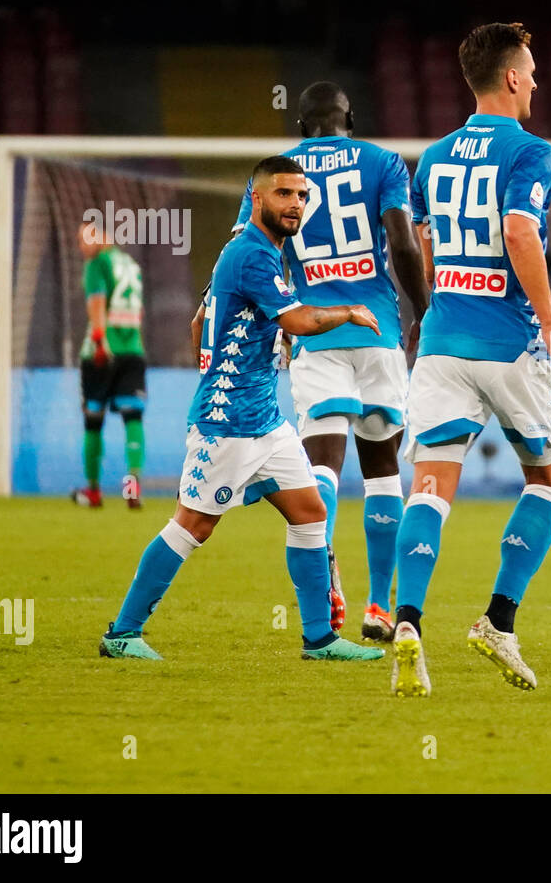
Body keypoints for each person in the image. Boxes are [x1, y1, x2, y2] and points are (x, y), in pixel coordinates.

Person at [99, 156, 384, 662]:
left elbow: (199, 320)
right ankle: (122, 633)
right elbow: (296, 319)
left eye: (301, 196)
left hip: (264, 420)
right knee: (193, 525)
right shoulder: (251, 254)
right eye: (283, 194)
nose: (295, 204)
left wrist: (225, 356)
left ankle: (319, 639)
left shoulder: (264, 253)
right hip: (227, 424)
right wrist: (348, 312)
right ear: (257, 198)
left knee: (310, 511)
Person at [389, 21, 551, 696]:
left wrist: (436, 306)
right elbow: (519, 229)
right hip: (512, 343)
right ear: (510, 78)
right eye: (531, 71)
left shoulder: (434, 156)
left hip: (441, 341)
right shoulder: (532, 152)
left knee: (430, 489)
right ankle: (498, 619)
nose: (536, 81)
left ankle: (408, 621)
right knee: (548, 481)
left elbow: (419, 239)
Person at [229, 81, 428, 643]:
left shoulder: (273, 179)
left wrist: (258, 318)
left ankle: (324, 588)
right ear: (350, 117)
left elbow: (252, 250)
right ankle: (380, 605)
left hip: (315, 328)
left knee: (321, 466)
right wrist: (425, 311)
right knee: (384, 468)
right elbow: (404, 242)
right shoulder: (383, 162)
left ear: (300, 125)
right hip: (378, 326)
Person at [72, 220, 146, 510]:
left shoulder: (97, 264)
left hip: (102, 352)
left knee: (93, 420)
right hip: (133, 350)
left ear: (101, 238)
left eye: (85, 239)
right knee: (133, 419)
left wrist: (101, 340)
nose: (82, 247)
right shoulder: (130, 264)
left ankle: (93, 491)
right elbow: (137, 308)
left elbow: (97, 301)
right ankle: (131, 486)